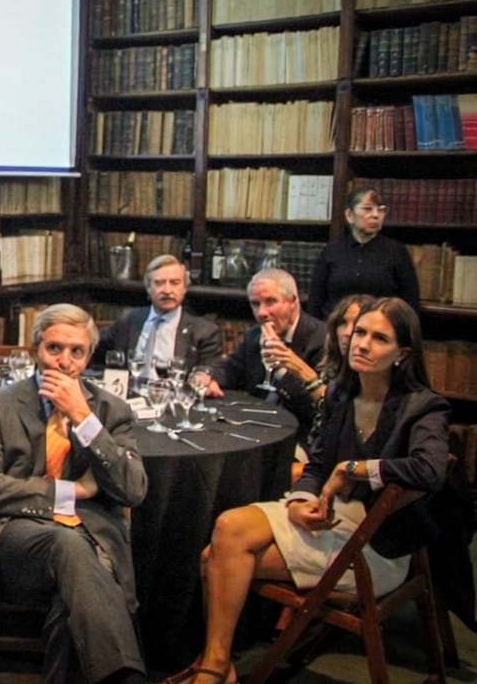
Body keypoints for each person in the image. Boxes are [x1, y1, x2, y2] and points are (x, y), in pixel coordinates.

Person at [168, 298, 450, 684]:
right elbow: (316, 465)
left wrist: (352, 468)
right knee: (228, 527)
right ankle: (217, 665)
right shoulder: (341, 395)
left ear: (402, 353)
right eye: (360, 332)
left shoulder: (423, 407)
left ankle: (214, 666)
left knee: (213, 557)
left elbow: (430, 469)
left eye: (379, 338)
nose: (362, 344)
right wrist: (301, 499)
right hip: (327, 515)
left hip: (374, 545)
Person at [0, 303, 149, 684]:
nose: (64, 361)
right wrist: (70, 492)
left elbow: (132, 490)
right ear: (36, 349)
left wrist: (84, 419)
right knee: (68, 546)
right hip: (17, 536)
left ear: (88, 356)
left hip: (91, 536)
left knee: (70, 607)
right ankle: (126, 677)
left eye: (76, 351)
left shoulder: (111, 410)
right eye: (54, 349)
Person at [209, 268, 325, 445]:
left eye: (271, 301)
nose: (262, 312)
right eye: (255, 304)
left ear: (292, 301)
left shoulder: (321, 339)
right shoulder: (255, 335)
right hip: (252, 424)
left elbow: (316, 408)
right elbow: (230, 370)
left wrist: (281, 373)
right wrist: (208, 377)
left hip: (299, 435)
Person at [93, 254, 224, 375]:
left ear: (184, 288)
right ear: (148, 288)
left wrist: (204, 376)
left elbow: (210, 370)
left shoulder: (205, 331)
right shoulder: (129, 319)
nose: (167, 290)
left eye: (174, 283)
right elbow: (92, 343)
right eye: (159, 283)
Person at [306, 187, 420, 319]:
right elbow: (315, 300)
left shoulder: (397, 252)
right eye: (368, 209)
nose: (376, 215)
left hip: (378, 329)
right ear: (349, 215)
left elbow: (411, 303)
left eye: (381, 209)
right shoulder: (332, 251)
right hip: (335, 329)